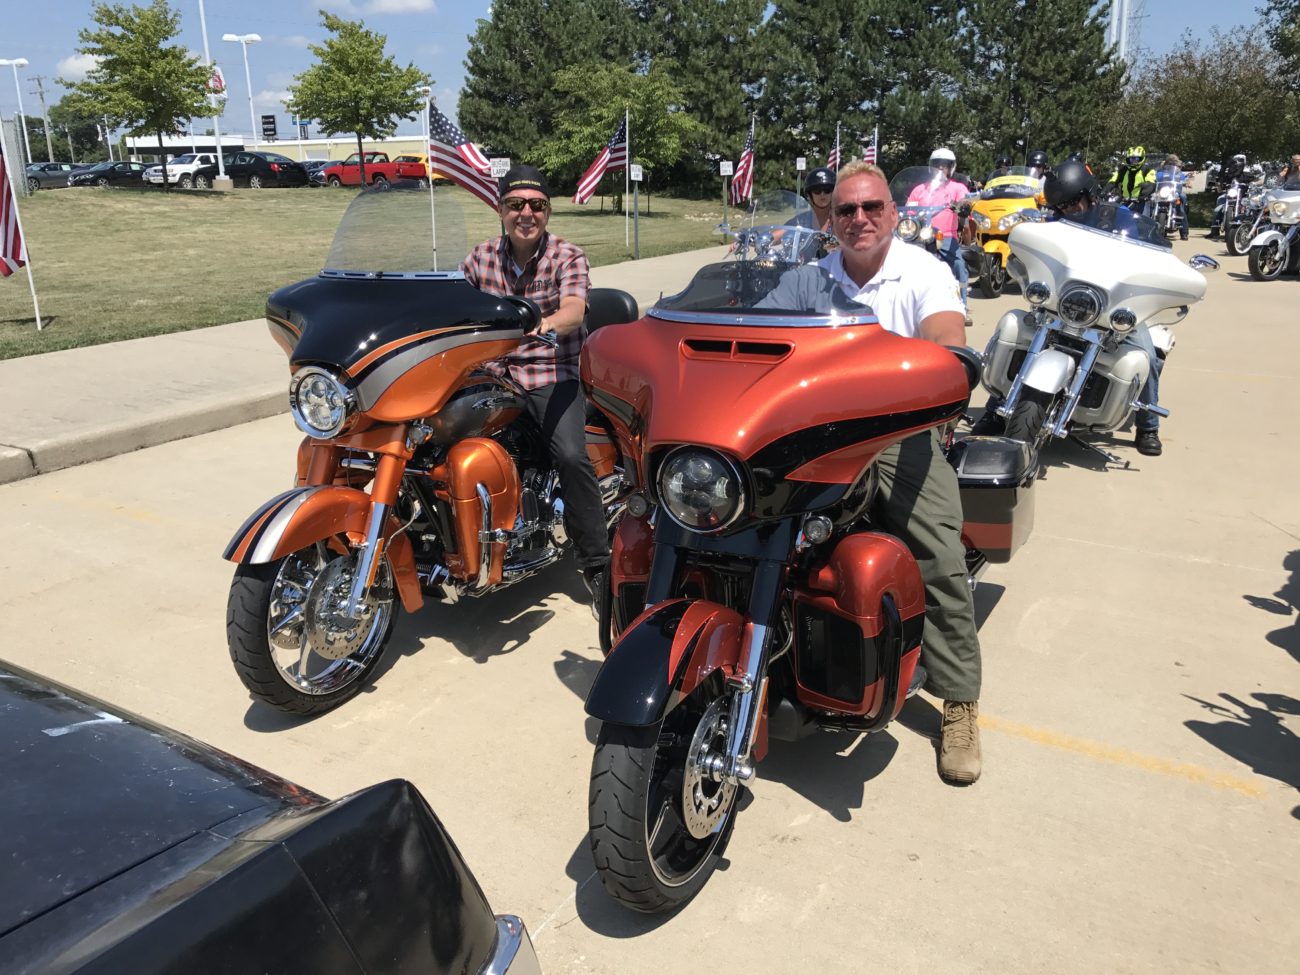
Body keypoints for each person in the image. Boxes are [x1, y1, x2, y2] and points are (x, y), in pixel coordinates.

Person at [821, 160, 985, 784]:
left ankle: (960, 700)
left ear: (893, 213)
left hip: (898, 429)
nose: (859, 219)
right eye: (846, 210)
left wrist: (935, 367)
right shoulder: (813, 278)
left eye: (871, 208)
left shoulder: (923, 271)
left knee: (938, 553)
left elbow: (945, 337)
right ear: (830, 219)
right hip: (819, 429)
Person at [459, 165, 610, 605]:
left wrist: (543, 324)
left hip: (551, 369)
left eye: (537, 205)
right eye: (516, 204)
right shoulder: (479, 257)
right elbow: (454, 301)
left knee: (569, 454)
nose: (526, 213)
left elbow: (574, 310)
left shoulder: (567, 256)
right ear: (500, 209)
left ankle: (597, 563)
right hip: (493, 370)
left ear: (547, 212)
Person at [970, 159, 1166, 455]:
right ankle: (997, 405)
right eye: (1062, 206)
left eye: (1075, 202)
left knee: (1146, 356)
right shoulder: (1054, 224)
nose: (1069, 210)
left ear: (1090, 195)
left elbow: (1146, 257)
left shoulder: (1121, 219)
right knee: (1018, 335)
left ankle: (1148, 425)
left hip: (1111, 306)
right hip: (1063, 302)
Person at [906, 148, 972, 307]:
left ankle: (962, 304)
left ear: (951, 168)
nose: (941, 168)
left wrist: (964, 206)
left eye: (945, 165)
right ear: (931, 167)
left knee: (958, 264)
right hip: (921, 236)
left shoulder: (956, 188)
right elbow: (909, 209)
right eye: (937, 165)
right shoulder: (920, 189)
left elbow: (965, 200)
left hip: (947, 236)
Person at [1150, 153, 1190, 241]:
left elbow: (1184, 179)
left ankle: (1184, 232)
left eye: (1173, 163)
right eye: (1170, 163)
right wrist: (1151, 181)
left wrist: (1186, 182)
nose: (1172, 164)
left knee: (1182, 205)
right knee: (1151, 202)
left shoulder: (1179, 173)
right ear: (1167, 163)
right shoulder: (1160, 173)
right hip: (1162, 193)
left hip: (1174, 193)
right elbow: (1154, 179)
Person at [1108, 146, 1155, 210]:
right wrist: (1103, 193)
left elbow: (1151, 184)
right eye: (1131, 159)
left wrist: (1142, 195)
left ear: (1141, 158)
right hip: (1125, 201)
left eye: (1136, 159)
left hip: (1141, 202)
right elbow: (1113, 181)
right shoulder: (1123, 170)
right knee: (1111, 212)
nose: (1133, 161)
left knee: (1142, 217)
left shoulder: (1148, 170)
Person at [790, 166, 836, 232]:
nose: (822, 194)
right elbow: (782, 231)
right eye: (817, 191)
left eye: (827, 190)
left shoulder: (841, 219)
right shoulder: (801, 220)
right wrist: (770, 236)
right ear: (809, 194)